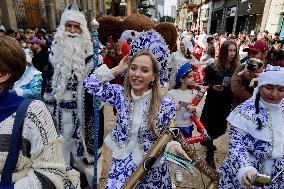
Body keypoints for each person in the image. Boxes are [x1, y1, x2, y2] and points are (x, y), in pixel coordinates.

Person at [84, 31, 188, 188]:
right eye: (133, 68)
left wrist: (172, 147)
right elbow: (90, 84)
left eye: (145, 70)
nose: (137, 74)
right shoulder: (119, 95)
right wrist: (118, 69)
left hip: (152, 170)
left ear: (154, 76)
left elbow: (167, 136)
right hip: (122, 166)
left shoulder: (165, 104)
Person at [0, 36, 80, 188]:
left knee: (68, 146)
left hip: (58, 111)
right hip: (55, 108)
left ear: (4, 74)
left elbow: (37, 90)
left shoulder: (33, 109)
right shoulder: (48, 60)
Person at [43, 5, 103, 186]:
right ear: (62, 28)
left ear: (83, 30)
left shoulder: (93, 58)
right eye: (68, 26)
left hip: (83, 118)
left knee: (84, 159)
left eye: (77, 27)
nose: (72, 31)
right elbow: (47, 86)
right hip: (58, 115)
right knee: (61, 154)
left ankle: (85, 182)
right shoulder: (54, 55)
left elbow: (99, 92)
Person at [218, 66, 284, 188]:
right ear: (260, 86)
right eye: (269, 88)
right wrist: (246, 169)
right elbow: (237, 145)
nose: (274, 94)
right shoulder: (245, 111)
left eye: (281, 90)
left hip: (278, 174)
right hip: (249, 173)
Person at [200, 40, 240, 169]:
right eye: (230, 50)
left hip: (226, 102)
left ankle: (207, 140)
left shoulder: (236, 68)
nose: (232, 53)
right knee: (210, 126)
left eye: (234, 50)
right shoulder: (212, 67)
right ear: (223, 51)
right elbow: (205, 83)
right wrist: (212, 87)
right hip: (213, 102)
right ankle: (209, 154)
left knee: (221, 128)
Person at [167, 61, 204, 184]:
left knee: (185, 149)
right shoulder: (172, 93)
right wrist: (173, 107)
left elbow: (199, 111)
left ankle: (181, 167)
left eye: (193, 76)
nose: (193, 78)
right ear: (182, 79)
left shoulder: (193, 93)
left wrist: (195, 109)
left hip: (188, 126)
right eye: (190, 76)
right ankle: (175, 171)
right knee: (175, 149)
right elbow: (163, 109)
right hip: (175, 127)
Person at [231, 40, 269, 108]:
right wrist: (256, 101)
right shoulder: (242, 67)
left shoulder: (270, 71)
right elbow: (236, 88)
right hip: (241, 111)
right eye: (249, 53)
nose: (250, 56)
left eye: (254, 53)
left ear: (265, 54)